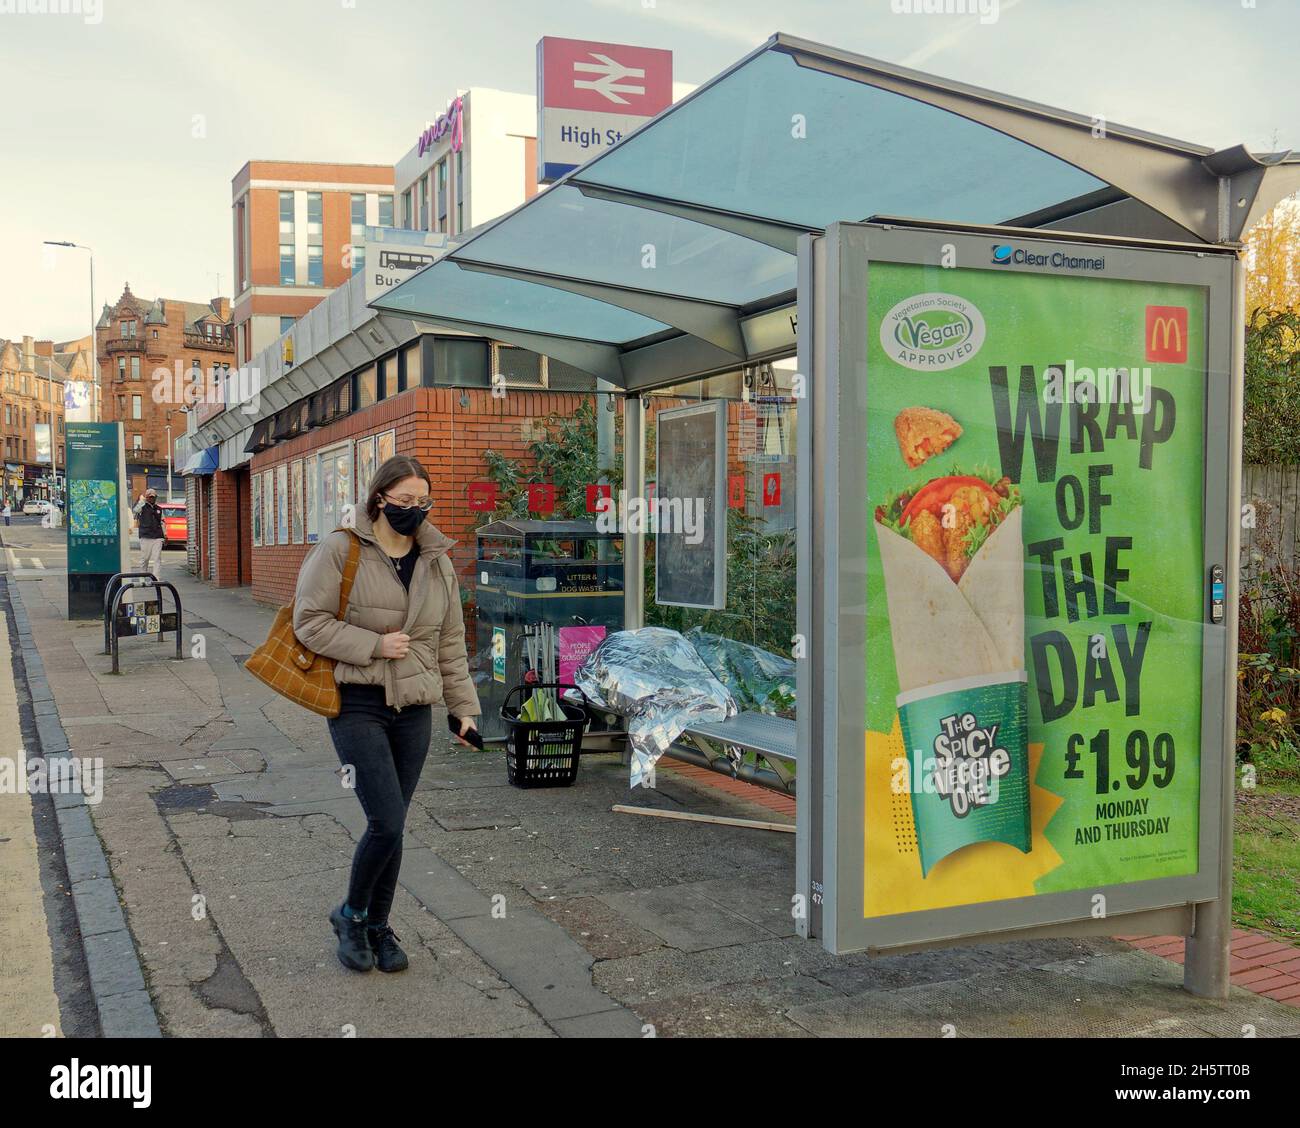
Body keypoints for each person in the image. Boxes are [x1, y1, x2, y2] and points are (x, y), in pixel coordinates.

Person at [293, 455, 480, 973]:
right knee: (387, 819)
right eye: (404, 502)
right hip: (357, 703)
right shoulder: (341, 549)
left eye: (423, 502)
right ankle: (351, 916)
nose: (415, 511)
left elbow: (449, 642)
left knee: (394, 825)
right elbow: (308, 623)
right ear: (379, 499)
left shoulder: (436, 560)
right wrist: (375, 644)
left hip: (415, 708)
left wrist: (464, 711)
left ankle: (379, 923)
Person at [133, 489, 164, 576]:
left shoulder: (159, 509)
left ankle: (156, 577)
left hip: (157, 536)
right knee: (145, 558)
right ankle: (142, 576)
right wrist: (142, 501)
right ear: (147, 497)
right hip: (145, 535)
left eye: (154, 497)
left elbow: (162, 522)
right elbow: (135, 510)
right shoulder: (142, 507)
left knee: (157, 558)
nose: (152, 499)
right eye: (150, 497)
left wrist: (164, 534)